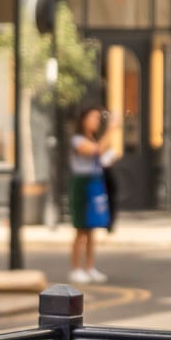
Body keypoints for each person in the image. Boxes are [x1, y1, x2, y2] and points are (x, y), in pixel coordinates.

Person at [69, 105, 114, 284]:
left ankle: (89, 267)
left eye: (98, 118)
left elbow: (102, 153)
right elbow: (95, 150)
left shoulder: (93, 138)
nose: (96, 121)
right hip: (81, 186)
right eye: (93, 118)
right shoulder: (77, 140)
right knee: (81, 229)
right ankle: (75, 268)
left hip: (94, 184)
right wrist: (112, 128)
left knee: (91, 229)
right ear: (84, 120)